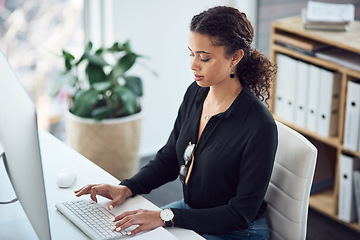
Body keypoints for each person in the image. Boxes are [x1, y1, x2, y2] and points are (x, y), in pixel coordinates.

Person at [75, 6, 278, 240]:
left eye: (204, 58)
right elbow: (170, 158)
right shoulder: (196, 93)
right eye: (191, 54)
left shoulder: (259, 126)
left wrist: (165, 216)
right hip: (191, 211)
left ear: (235, 57)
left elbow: (239, 215)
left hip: (235, 230)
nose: (193, 65)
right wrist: (127, 188)